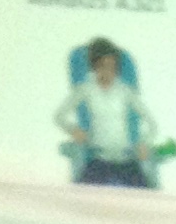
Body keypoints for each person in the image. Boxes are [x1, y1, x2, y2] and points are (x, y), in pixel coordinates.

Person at [58, 40, 157, 189]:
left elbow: (152, 123)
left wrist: (143, 143)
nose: (108, 72)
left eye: (112, 67)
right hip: (99, 159)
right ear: (95, 66)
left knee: (146, 195)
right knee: (81, 196)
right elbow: (59, 116)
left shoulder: (125, 91)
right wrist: (73, 130)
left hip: (126, 159)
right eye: (103, 66)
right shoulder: (85, 89)